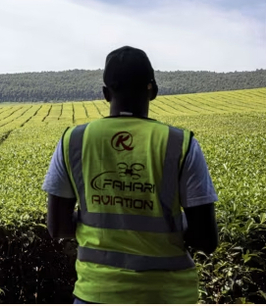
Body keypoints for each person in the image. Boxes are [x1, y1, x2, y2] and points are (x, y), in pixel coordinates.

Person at [42, 46, 219, 304]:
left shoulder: (74, 141)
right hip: (166, 295)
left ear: (105, 93)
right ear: (154, 90)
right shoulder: (180, 144)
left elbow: (57, 227)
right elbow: (206, 239)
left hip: (96, 294)